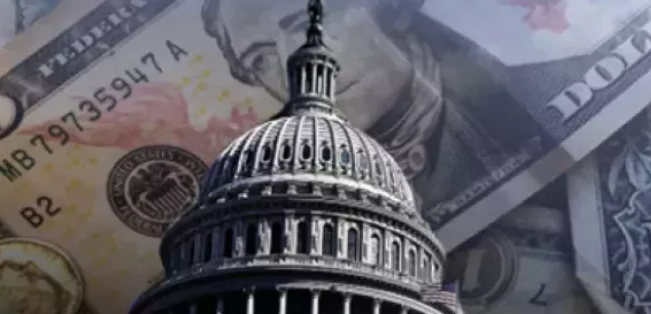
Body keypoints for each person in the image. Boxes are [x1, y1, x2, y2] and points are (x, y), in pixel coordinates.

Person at [200, 0, 538, 216]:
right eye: (261, 59)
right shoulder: (290, 203)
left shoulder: (523, 91)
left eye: (306, 24)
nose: (295, 61)